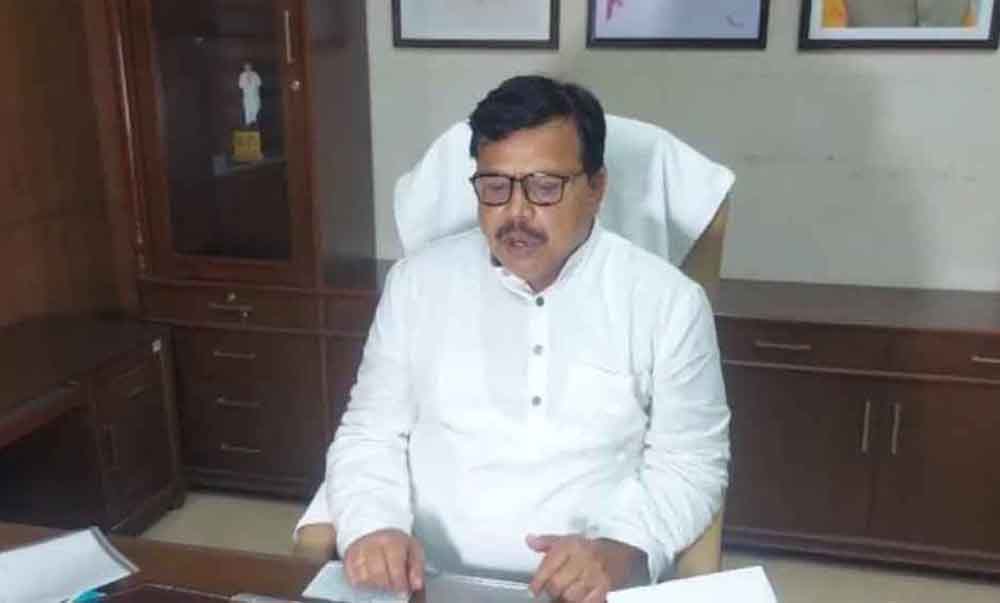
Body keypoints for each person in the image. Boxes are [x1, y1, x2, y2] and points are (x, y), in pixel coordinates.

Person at [296, 75, 730, 603]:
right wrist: (374, 527)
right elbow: (371, 431)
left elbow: (691, 462)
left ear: (596, 188)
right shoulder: (416, 284)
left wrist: (618, 550)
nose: (516, 214)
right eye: (495, 187)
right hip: (424, 582)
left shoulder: (668, 302)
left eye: (544, 187)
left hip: (589, 589)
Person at [238, 62, 262, 127]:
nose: (247, 68)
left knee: (256, 108)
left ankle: (254, 122)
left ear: (251, 67)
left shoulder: (255, 74)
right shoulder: (242, 75)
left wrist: (258, 95)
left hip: (255, 95)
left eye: (249, 66)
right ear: (244, 67)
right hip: (247, 96)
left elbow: (259, 84)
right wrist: (246, 81)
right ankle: (248, 124)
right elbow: (240, 86)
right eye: (246, 67)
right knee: (248, 110)